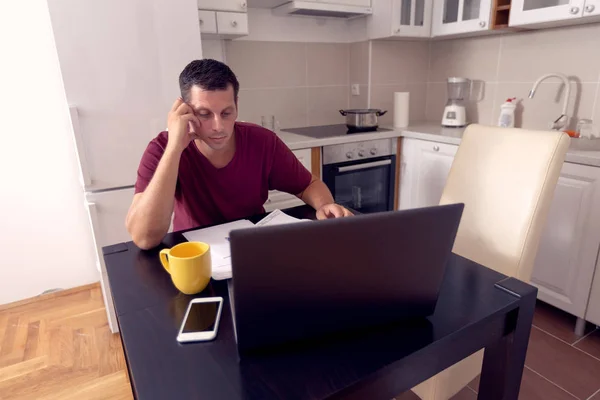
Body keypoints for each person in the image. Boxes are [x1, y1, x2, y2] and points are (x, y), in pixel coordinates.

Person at [126, 59, 352, 249]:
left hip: (252, 250)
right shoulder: (161, 148)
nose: (218, 126)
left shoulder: (262, 141)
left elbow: (307, 184)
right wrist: (175, 148)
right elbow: (144, 238)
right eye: (204, 114)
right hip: (195, 256)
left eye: (226, 113)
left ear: (237, 106)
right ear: (184, 112)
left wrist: (324, 205)